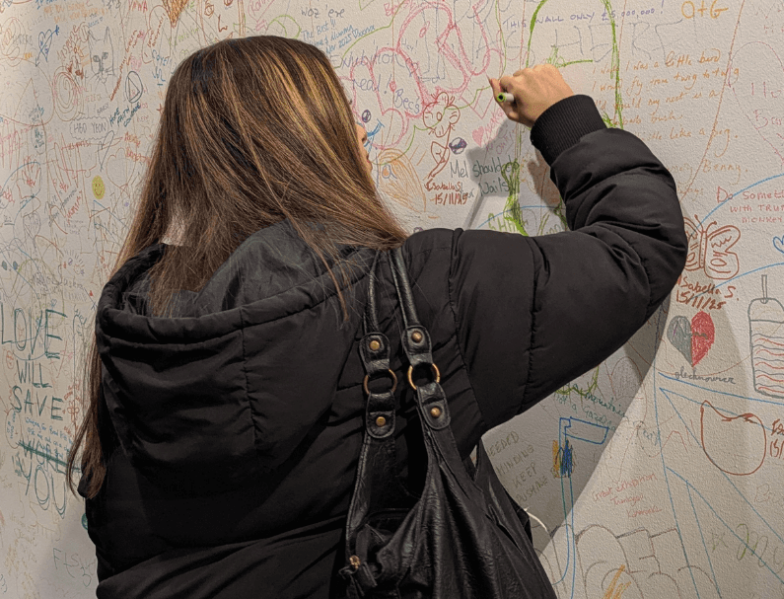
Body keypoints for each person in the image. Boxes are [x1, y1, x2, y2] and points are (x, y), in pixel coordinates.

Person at [67, 35, 686, 598]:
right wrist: (563, 116)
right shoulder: (412, 293)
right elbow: (639, 244)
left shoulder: (136, 329)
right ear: (324, 141)